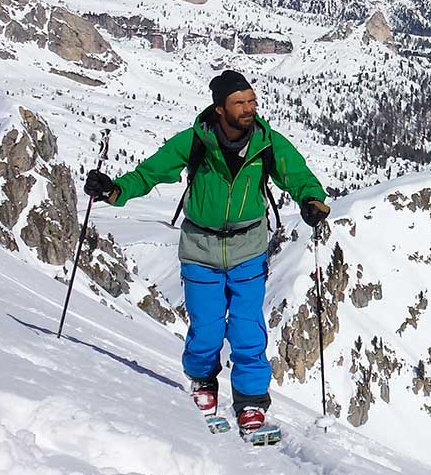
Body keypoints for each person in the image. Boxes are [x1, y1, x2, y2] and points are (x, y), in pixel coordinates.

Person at [84, 70, 330, 432]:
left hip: (248, 247)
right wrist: (114, 190)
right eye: (239, 103)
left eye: (251, 101)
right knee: (207, 328)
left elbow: (298, 175)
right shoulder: (194, 142)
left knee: (248, 329)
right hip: (200, 247)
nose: (249, 109)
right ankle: (202, 382)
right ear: (219, 109)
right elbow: (150, 173)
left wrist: (312, 199)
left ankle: (250, 401)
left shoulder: (268, 143)